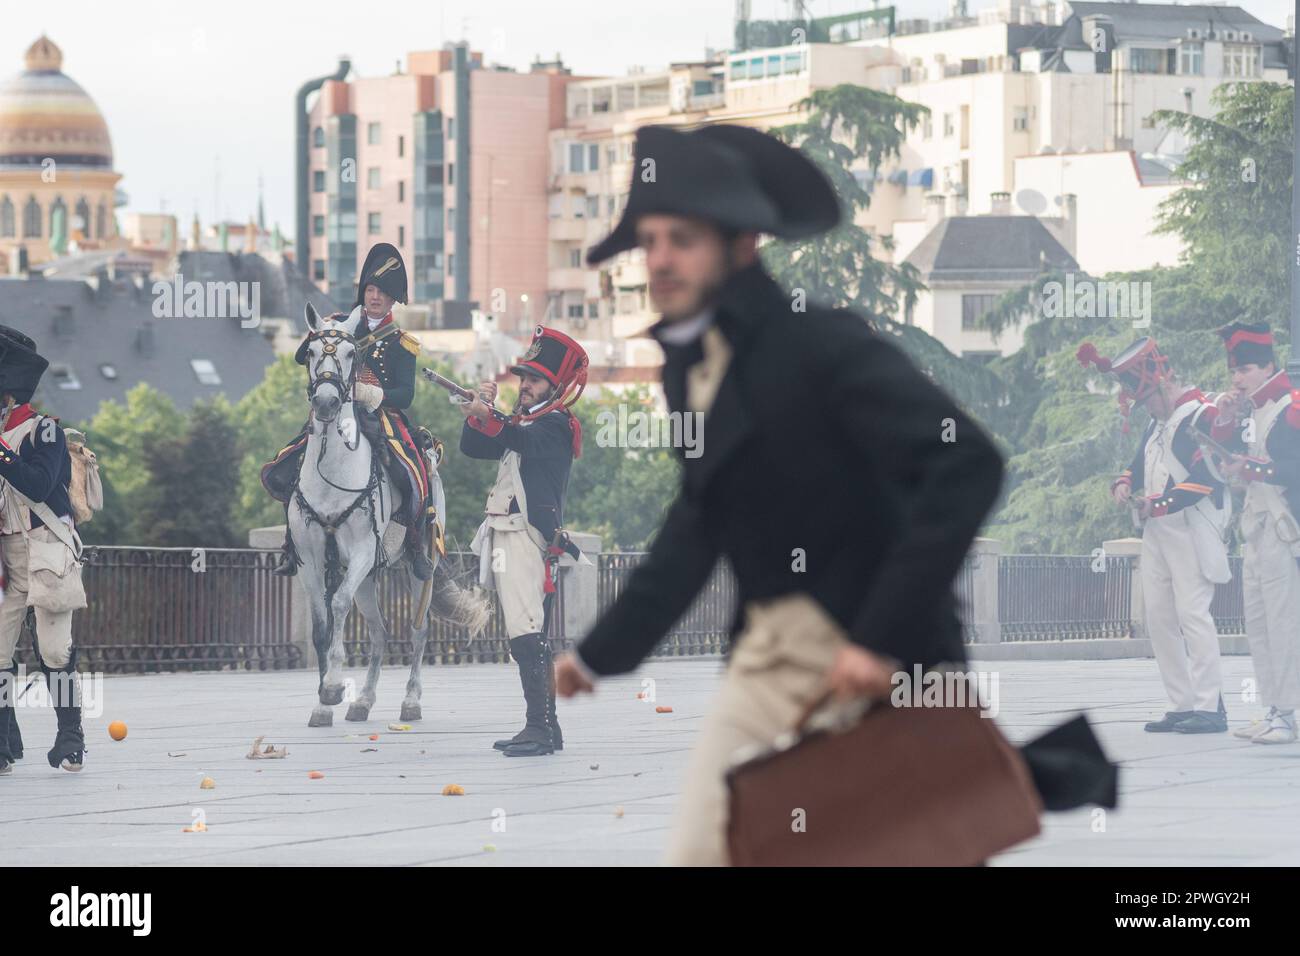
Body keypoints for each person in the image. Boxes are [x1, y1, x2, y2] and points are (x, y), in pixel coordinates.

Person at [552, 124, 1009, 864]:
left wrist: (878, 638)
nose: (660, 259)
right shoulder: (685, 368)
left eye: (683, 239)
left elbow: (969, 465)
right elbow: (698, 522)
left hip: (885, 662)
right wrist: (600, 654)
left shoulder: (819, 344)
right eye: (651, 240)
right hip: (766, 660)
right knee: (705, 852)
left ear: (742, 246)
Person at [1079, 337, 1230, 734]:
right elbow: (1137, 464)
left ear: (1164, 386)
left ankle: (1210, 706)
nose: (1147, 408)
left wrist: (1159, 504)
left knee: (1193, 614)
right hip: (1158, 531)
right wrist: (1124, 484)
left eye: (1149, 400)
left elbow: (1208, 479)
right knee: (1159, 617)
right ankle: (1182, 704)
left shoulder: (1203, 415)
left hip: (1191, 528)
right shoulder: (1155, 420)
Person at [263, 243, 435, 580]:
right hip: (332, 413)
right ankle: (291, 543)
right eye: (370, 289)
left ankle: (414, 545)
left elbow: (406, 395)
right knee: (292, 462)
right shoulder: (339, 324)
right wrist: (323, 330)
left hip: (380, 416)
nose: (374, 297)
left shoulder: (402, 342)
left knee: (412, 473)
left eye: (382, 292)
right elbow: (303, 357)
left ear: (392, 300)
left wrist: (374, 393)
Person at [458, 327, 588, 757]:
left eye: (533, 380)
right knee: (526, 635)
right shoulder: (525, 422)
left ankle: (539, 728)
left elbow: (519, 439)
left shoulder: (554, 425)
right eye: (523, 379)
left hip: (525, 537)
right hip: (505, 535)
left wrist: (490, 413)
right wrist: (481, 410)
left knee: (526, 634)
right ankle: (545, 729)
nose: (525, 385)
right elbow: (474, 446)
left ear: (554, 386)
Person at [0, 325, 86, 775]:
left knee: (55, 650)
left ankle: (71, 738)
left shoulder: (45, 432)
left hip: (48, 549)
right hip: (7, 556)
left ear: (9, 396)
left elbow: (37, 484)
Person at [1209, 322, 1300, 744]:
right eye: (1235, 371)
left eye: (1244, 369)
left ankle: (1287, 713)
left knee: (1283, 625)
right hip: (1259, 530)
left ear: (1267, 367)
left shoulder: (1291, 407)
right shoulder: (1258, 411)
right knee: (1260, 624)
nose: (1237, 378)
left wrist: (1251, 468)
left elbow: (1293, 470)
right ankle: (1275, 709)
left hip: (1285, 532)